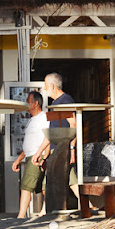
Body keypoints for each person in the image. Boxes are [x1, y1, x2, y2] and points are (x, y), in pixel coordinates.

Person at [32, 72, 83, 203]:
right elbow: (51, 132)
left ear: (52, 86)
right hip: (57, 148)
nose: (44, 88)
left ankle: (88, 206)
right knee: (51, 181)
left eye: (45, 85)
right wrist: (41, 153)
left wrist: (71, 148)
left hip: (64, 148)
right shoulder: (54, 104)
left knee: (69, 180)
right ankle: (45, 210)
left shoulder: (65, 101)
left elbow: (74, 125)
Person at [11, 91, 49, 218]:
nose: (26, 103)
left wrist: (43, 155)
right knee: (42, 185)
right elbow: (29, 143)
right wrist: (18, 159)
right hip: (30, 156)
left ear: (36, 103)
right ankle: (44, 210)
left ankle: (21, 216)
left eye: (28, 101)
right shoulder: (30, 120)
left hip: (37, 156)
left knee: (26, 186)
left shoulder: (44, 117)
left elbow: (48, 138)